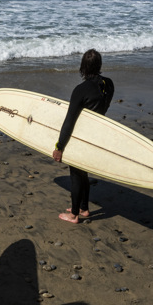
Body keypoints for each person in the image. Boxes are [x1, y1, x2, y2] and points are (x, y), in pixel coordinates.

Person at [52, 49, 115, 223]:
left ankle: (73, 215)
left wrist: (59, 147)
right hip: (96, 135)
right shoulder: (109, 84)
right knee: (83, 172)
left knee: (75, 174)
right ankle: (84, 208)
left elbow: (69, 121)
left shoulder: (81, 89)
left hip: (82, 136)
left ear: (83, 66)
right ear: (100, 65)